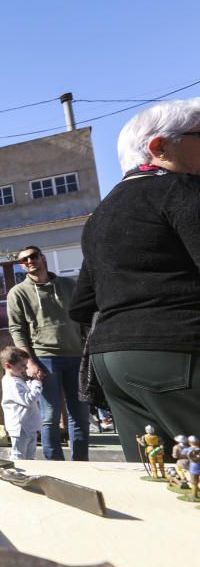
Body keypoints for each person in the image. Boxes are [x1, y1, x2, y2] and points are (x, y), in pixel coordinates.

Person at [69, 98, 200, 463]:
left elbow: (80, 304)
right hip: (176, 352)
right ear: (160, 147)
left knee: (157, 476)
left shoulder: (101, 214)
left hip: (113, 363)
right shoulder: (181, 189)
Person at [7, 245, 90, 461]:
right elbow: (17, 329)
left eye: (33, 257)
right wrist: (29, 362)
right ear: (21, 266)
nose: (29, 262)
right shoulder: (18, 293)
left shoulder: (68, 285)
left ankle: (81, 463)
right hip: (44, 358)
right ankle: (55, 463)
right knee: (49, 416)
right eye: (24, 260)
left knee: (79, 415)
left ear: (43, 258)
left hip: (76, 356)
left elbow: (83, 318)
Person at [0, 346, 43, 461]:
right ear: (8, 366)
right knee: (18, 456)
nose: (25, 368)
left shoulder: (17, 380)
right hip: (20, 427)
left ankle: (28, 474)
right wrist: (37, 383)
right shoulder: (12, 383)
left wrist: (31, 383)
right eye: (22, 365)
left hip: (28, 425)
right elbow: (28, 400)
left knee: (29, 456)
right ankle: (17, 475)